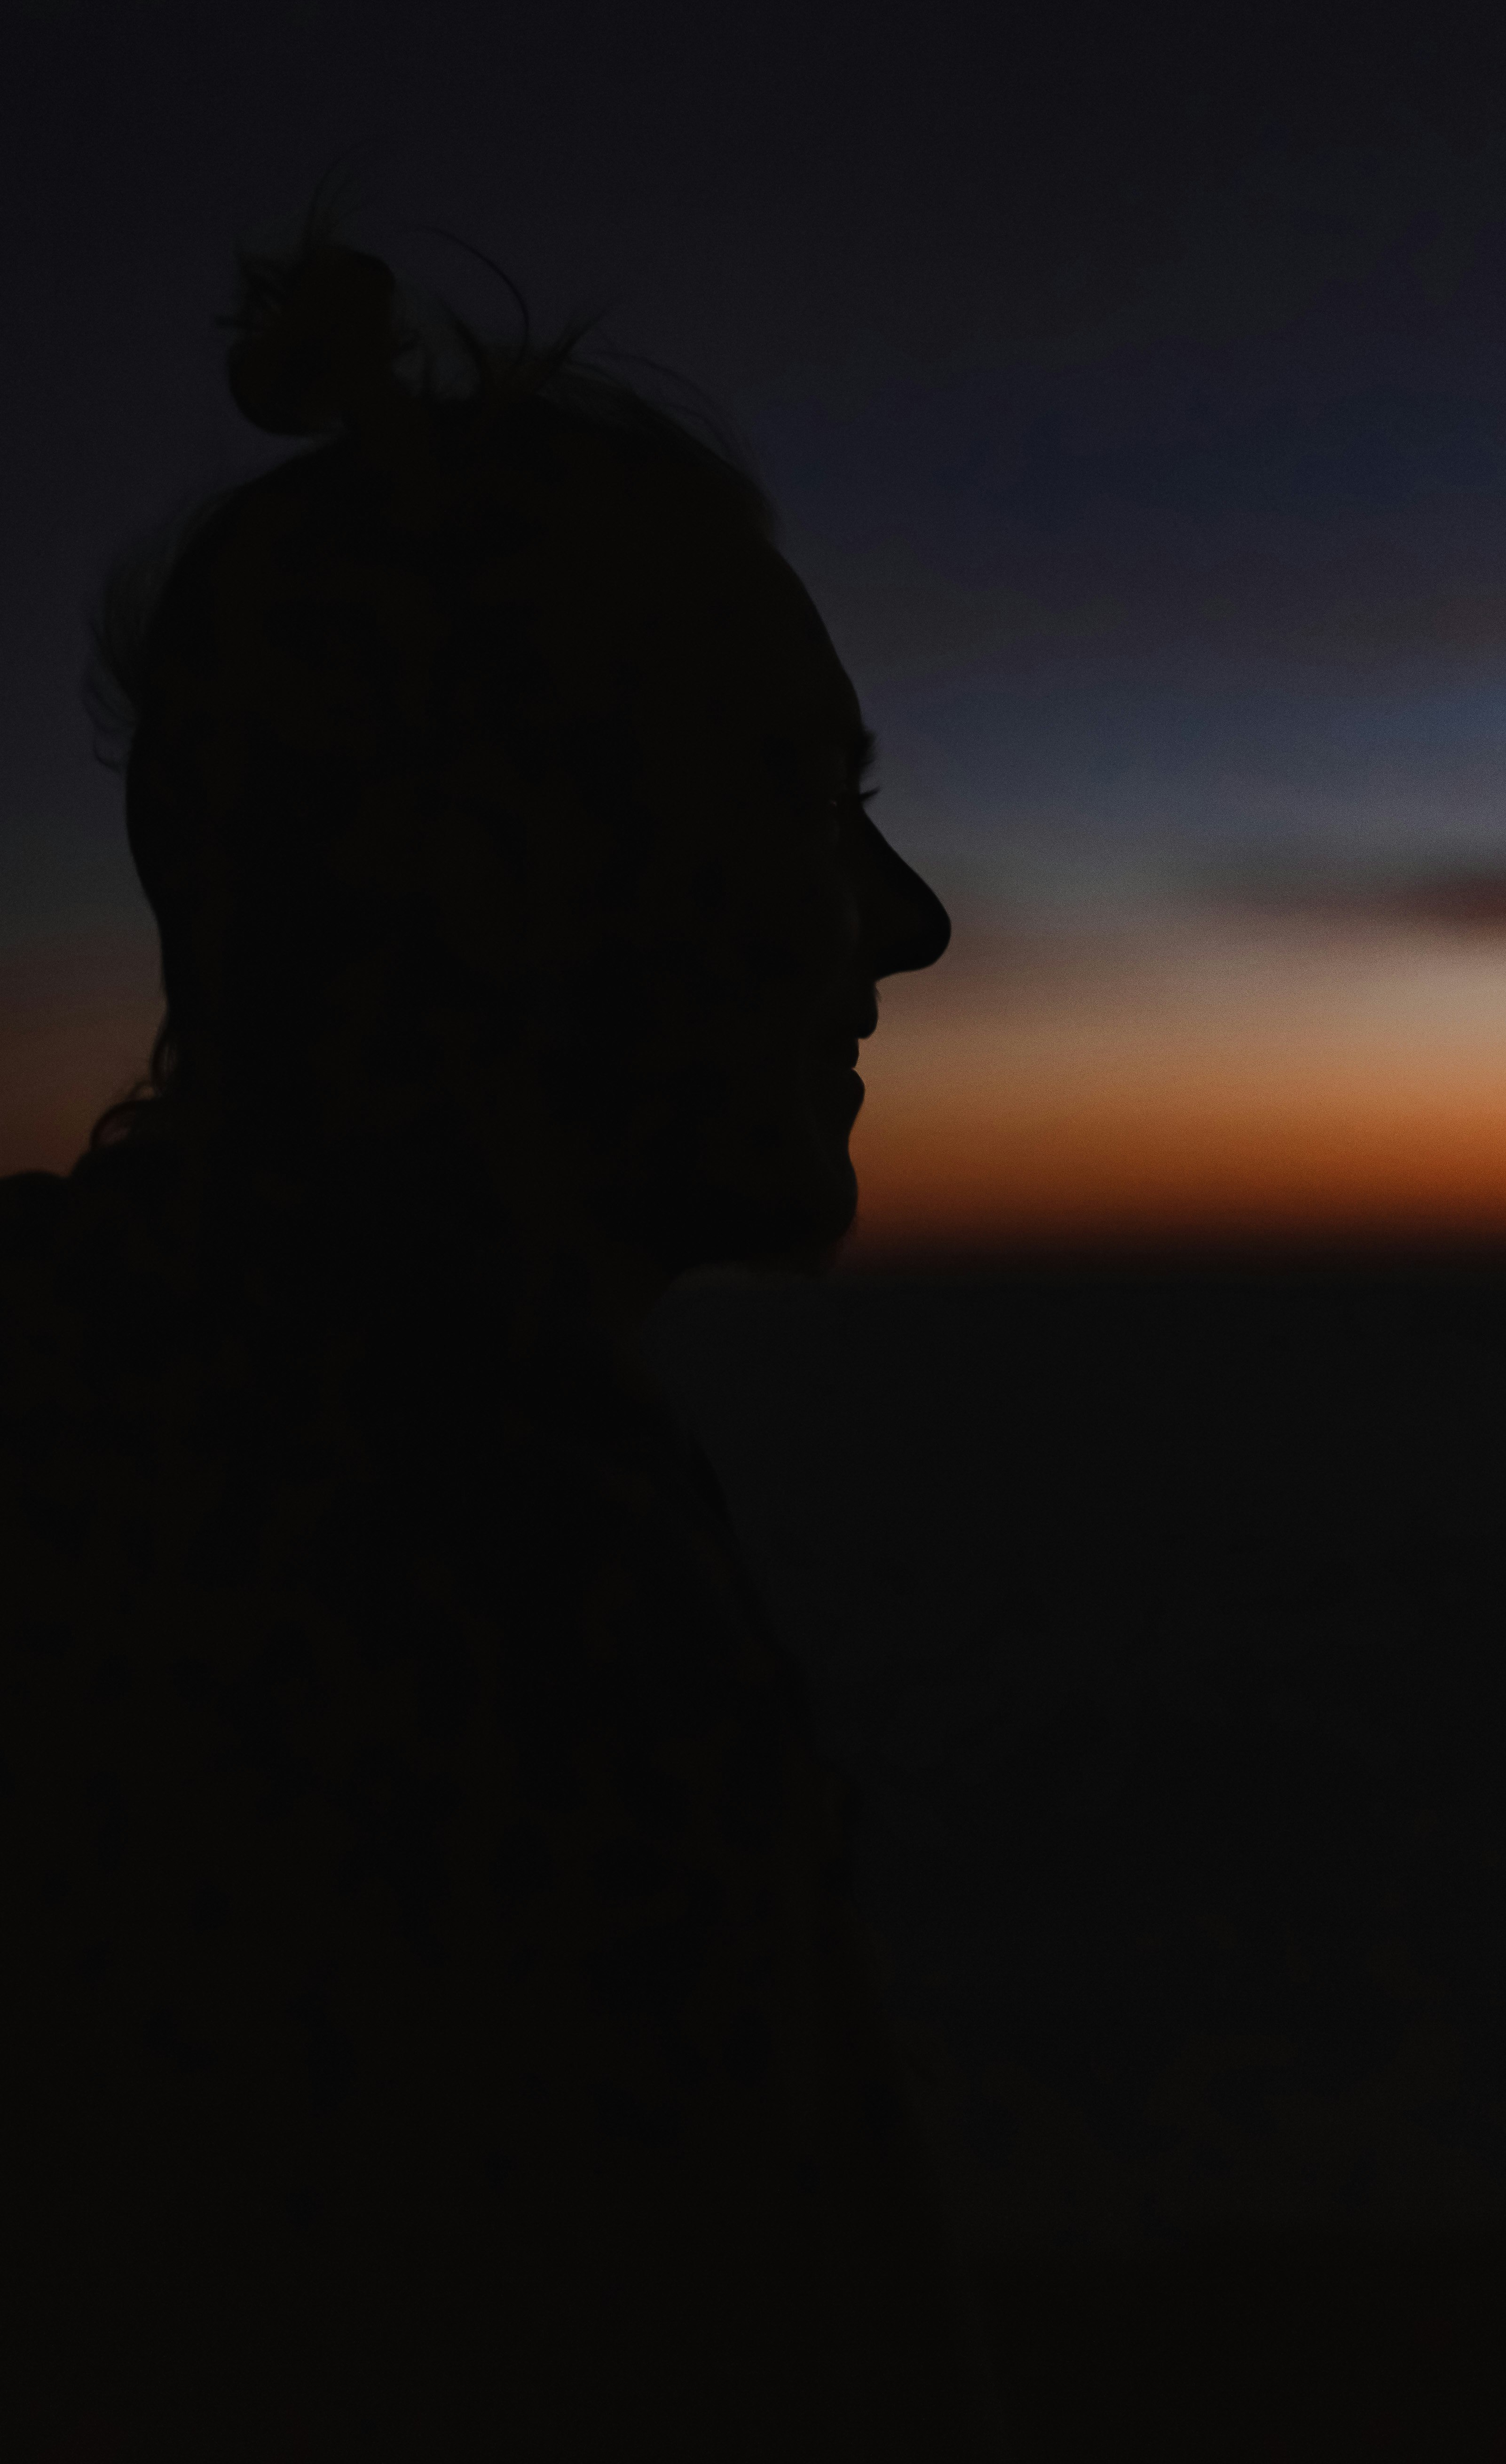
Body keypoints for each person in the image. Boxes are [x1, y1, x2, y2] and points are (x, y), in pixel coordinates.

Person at [0, 186, 1008, 2462]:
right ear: (500, 863)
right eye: (795, 805)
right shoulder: (439, 1621)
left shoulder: (158, 1430)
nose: (909, 926)